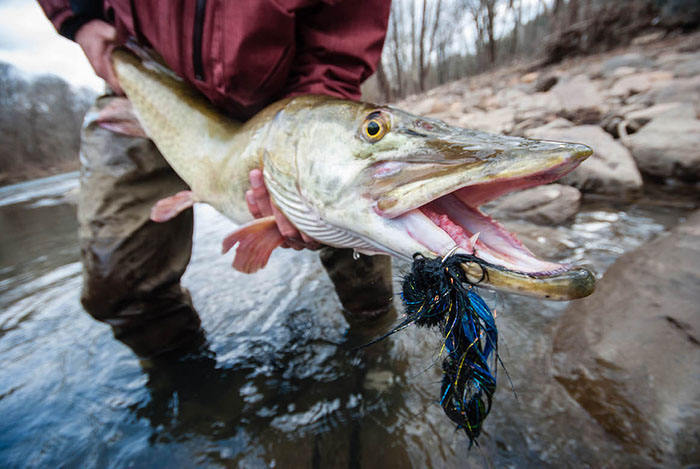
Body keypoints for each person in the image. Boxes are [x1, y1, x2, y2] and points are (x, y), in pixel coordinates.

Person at [37, 0, 394, 358]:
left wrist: (302, 131)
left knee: (353, 223)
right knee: (118, 287)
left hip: (292, 79)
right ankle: (190, 391)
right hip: (149, 80)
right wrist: (77, 18)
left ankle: (379, 351)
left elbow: (345, 26)